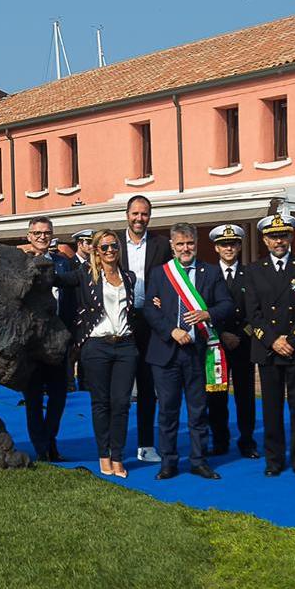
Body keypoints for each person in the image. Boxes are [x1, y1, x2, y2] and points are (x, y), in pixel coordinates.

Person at [141, 222, 233, 480]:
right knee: (168, 411)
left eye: (189, 243)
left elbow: (227, 304)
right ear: (172, 245)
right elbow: (149, 308)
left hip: (197, 351)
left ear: (196, 244)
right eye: (180, 244)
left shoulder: (211, 272)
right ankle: (169, 462)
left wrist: (208, 313)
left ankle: (198, 460)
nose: (185, 248)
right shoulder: (160, 273)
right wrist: (171, 330)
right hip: (166, 352)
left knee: (197, 410)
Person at [241, 210, 295, 478]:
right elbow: (253, 313)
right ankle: (274, 461)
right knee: (272, 408)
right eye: (273, 237)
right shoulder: (253, 270)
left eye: (283, 236)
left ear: (291, 236)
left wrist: (293, 339)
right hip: (268, 350)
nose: (279, 242)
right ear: (265, 240)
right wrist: (274, 341)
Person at [74, 229, 138, 477]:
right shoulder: (85, 275)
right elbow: (58, 280)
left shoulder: (129, 277)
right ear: (96, 252)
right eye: (104, 247)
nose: (110, 251)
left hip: (125, 346)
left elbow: (133, 307)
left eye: (114, 246)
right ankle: (103, 454)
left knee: (122, 403)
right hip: (97, 346)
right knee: (101, 403)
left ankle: (118, 455)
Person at [19, 216, 79, 461]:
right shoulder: (20, 265)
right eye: (37, 233)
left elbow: (73, 297)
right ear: (29, 236)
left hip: (59, 339)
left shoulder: (63, 264)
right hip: (32, 343)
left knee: (58, 396)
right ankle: (41, 445)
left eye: (46, 232)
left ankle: (50, 439)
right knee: (33, 398)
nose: (42, 237)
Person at [117, 195, 172, 463]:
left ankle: (146, 445)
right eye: (135, 214)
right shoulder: (112, 243)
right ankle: (114, 447)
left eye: (145, 214)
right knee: (120, 386)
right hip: (122, 321)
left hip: (151, 322)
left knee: (148, 386)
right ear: (126, 214)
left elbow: (173, 279)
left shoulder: (162, 245)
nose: (139, 219)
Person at [207, 223, 259, 459]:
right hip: (216, 344)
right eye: (223, 244)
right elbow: (203, 308)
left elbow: (257, 311)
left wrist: (240, 335)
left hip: (243, 343)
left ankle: (247, 441)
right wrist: (221, 334)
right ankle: (220, 440)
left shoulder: (251, 275)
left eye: (233, 243)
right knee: (216, 394)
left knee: (245, 395)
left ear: (239, 246)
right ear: (216, 248)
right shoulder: (207, 275)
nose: (229, 248)